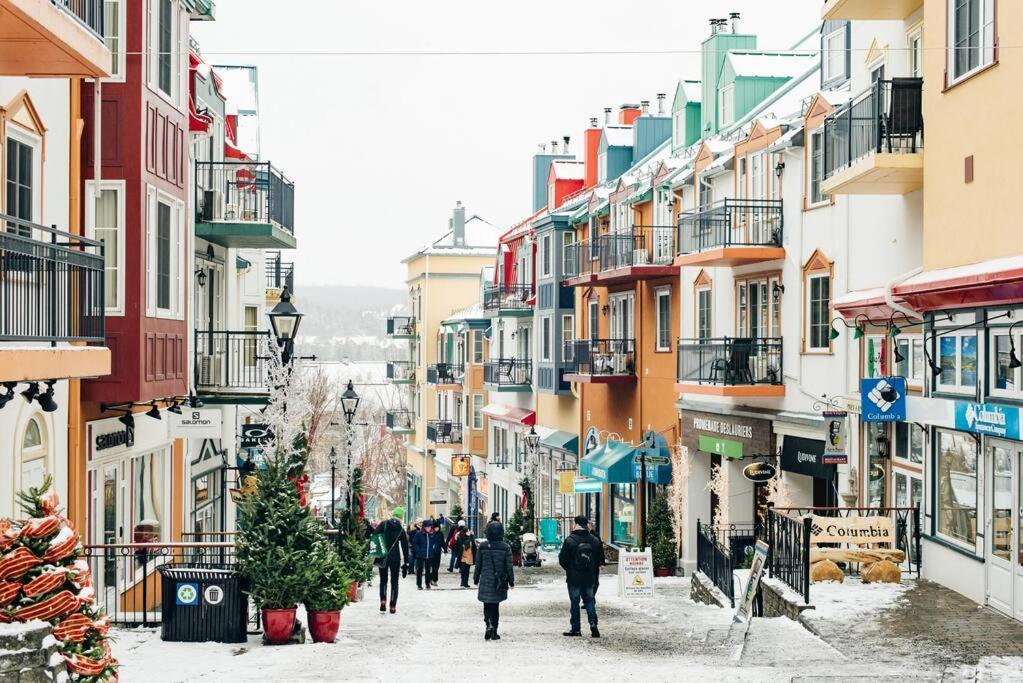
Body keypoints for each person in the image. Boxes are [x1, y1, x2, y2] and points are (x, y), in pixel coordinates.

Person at [558, 515, 605, 638]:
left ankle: (576, 629)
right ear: (586, 525)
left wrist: (570, 569)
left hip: (574, 578)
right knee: (589, 601)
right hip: (590, 577)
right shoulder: (594, 540)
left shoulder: (569, 540)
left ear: (576, 524)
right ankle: (593, 624)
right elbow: (600, 557)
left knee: (574, 602)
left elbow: (562, 559)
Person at [473, 522, 514, 641]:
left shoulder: (483, 546)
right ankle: (494, 630)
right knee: (495, 606)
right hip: (499, 581)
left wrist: (476, 578)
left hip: (486, 579)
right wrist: (511, 581)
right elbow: (509, 567)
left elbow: (478, 564)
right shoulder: (505, 547)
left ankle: (488, 625)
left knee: (487, 605)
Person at [373, 506, 409, 614]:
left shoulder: (384, 524)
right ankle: (392, 606)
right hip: (395, 558)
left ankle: (383, 601)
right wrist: (406, 563)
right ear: (401, 517)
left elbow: (374, 535)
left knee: (383, 581)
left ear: (393, 515)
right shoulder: (401, 530)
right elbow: (405, 547)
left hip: (383, 556)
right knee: (394, 582)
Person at [411, 519, 442, 589]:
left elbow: (435, 542)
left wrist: (433, 549)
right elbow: (414, 543)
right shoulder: (419, 534)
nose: (428, 528)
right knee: (420, 570)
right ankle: (419, 584)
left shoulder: (433, 534)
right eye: (426, 527)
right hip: (420, 555)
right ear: (424, 527)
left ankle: (427, 584)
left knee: (428, 570)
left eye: (429, 527)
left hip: (430, 555)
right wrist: (419, 550)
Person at [454, 523, 477, 588]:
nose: (469, 532)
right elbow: (463, 544)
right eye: (467, 531)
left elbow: (474, 546)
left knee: (467, 570)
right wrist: (469, 537)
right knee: (463, 569)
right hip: (463, 556)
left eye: (469, 531)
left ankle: (466, 582)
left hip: (470, 556)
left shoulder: (471, 537)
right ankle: (462, 582)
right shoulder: (461, 537)